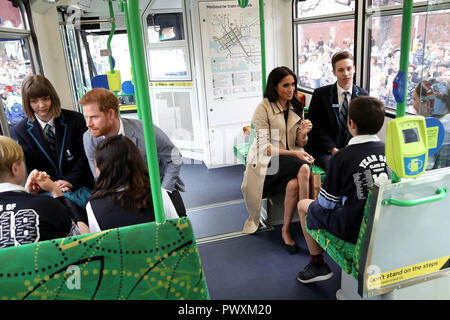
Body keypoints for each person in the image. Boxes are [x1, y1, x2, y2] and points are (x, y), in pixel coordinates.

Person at [296, 96, 390, 283]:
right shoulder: (390, 150)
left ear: (351, 123)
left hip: (353, 227)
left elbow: (326, 203)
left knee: (303, 204)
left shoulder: (341, 158)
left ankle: (317, 265)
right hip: (384, 222)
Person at [78, 88, 187, 217]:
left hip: (156, 187)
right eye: (86, 117)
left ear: (111, 114)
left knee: (179, 228)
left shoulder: (145, 130)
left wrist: (164, 192)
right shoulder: (89, 139)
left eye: (94, 117)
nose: (88, 124)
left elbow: (175, 157)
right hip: (121, 196)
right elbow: (99, 177)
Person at [241, 67, 314, 253]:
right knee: (304, 168)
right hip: (268, 163)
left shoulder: (296, 106)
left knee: (293, 185)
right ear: (274, 87)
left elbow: (299, 142)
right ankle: (308, 225)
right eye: (286, 85)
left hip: (289, 162)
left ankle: (285, 230)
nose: (291, 89)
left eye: (293, 84)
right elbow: (266, 148)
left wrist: (304, 134)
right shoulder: (263, 109)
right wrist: (297, 154)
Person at [13, 75, 94, 226]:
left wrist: (69, 181)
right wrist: (50, 184)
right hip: (47, 190)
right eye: (34, 101)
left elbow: (84, 157)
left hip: (79, 185)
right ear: (27, 103)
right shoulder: (21, 130)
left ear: (53, 98)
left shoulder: (75, 120)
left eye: (45, 98)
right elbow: (31, 168)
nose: (41, 105)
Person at [0, 136, 81, 248]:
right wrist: (56, 192)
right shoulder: (47, 204)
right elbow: (76, 240)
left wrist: (28, 195)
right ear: (15, 169)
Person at [86, 135, 178, 232]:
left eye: (97, 166)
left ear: (105, 170)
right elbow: (177, 232)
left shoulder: (93, 207)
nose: (96, 172)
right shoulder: (158, 194)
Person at [305, 51, 369, 170]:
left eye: (349, 68)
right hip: (325, 150)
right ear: (334, 72)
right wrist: (333, 149)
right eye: (340, 70)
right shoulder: (320, 95)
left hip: (352, 149)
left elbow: (364, 128)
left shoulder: (363, 96)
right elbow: (315, 128)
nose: (346, 74)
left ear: (354, 69)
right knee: (338, 166)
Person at [413, 80, 450, 169]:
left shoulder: (429, 129)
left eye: (415, 99)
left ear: (427, 104)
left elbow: (423, 168)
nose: (413, 104)